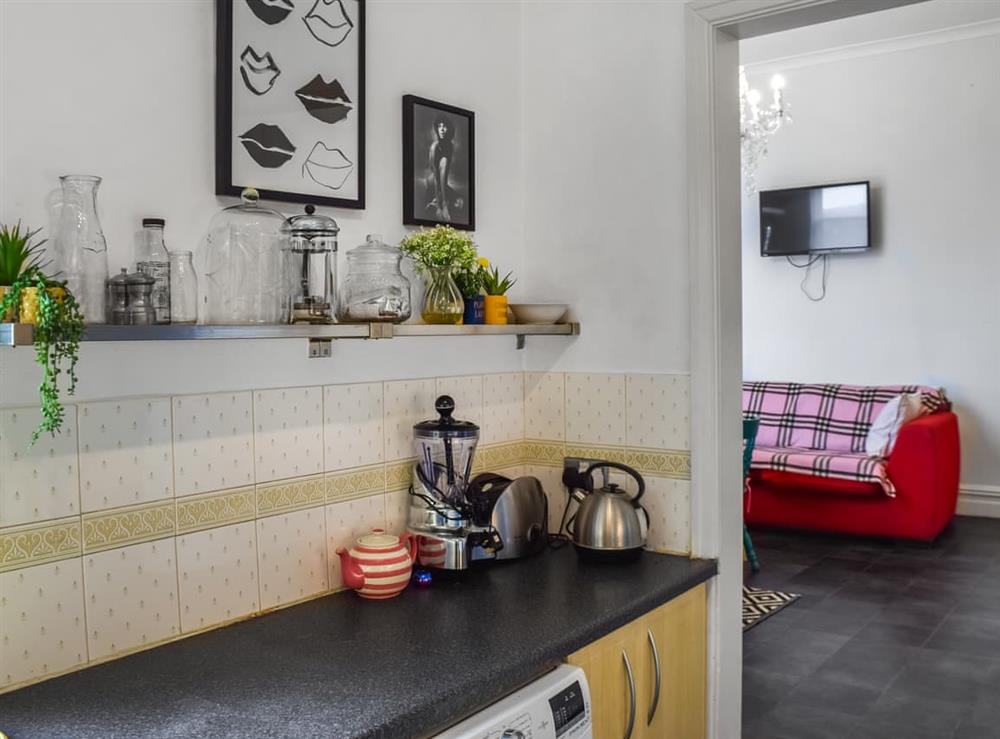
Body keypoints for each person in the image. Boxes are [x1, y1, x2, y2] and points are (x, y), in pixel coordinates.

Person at [423, 115, 464, 222]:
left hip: (442, 182)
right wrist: (441, 207)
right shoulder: (434, 147)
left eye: (444, 126)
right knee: (444, 162)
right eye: (439, 126)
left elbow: (444, 176)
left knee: (460, 202)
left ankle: (440, 200)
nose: (441, 129)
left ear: (449, 129)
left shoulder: (450, 146)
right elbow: (436, 175)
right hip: (432, 180)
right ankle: (440, 202)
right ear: (436, 128)